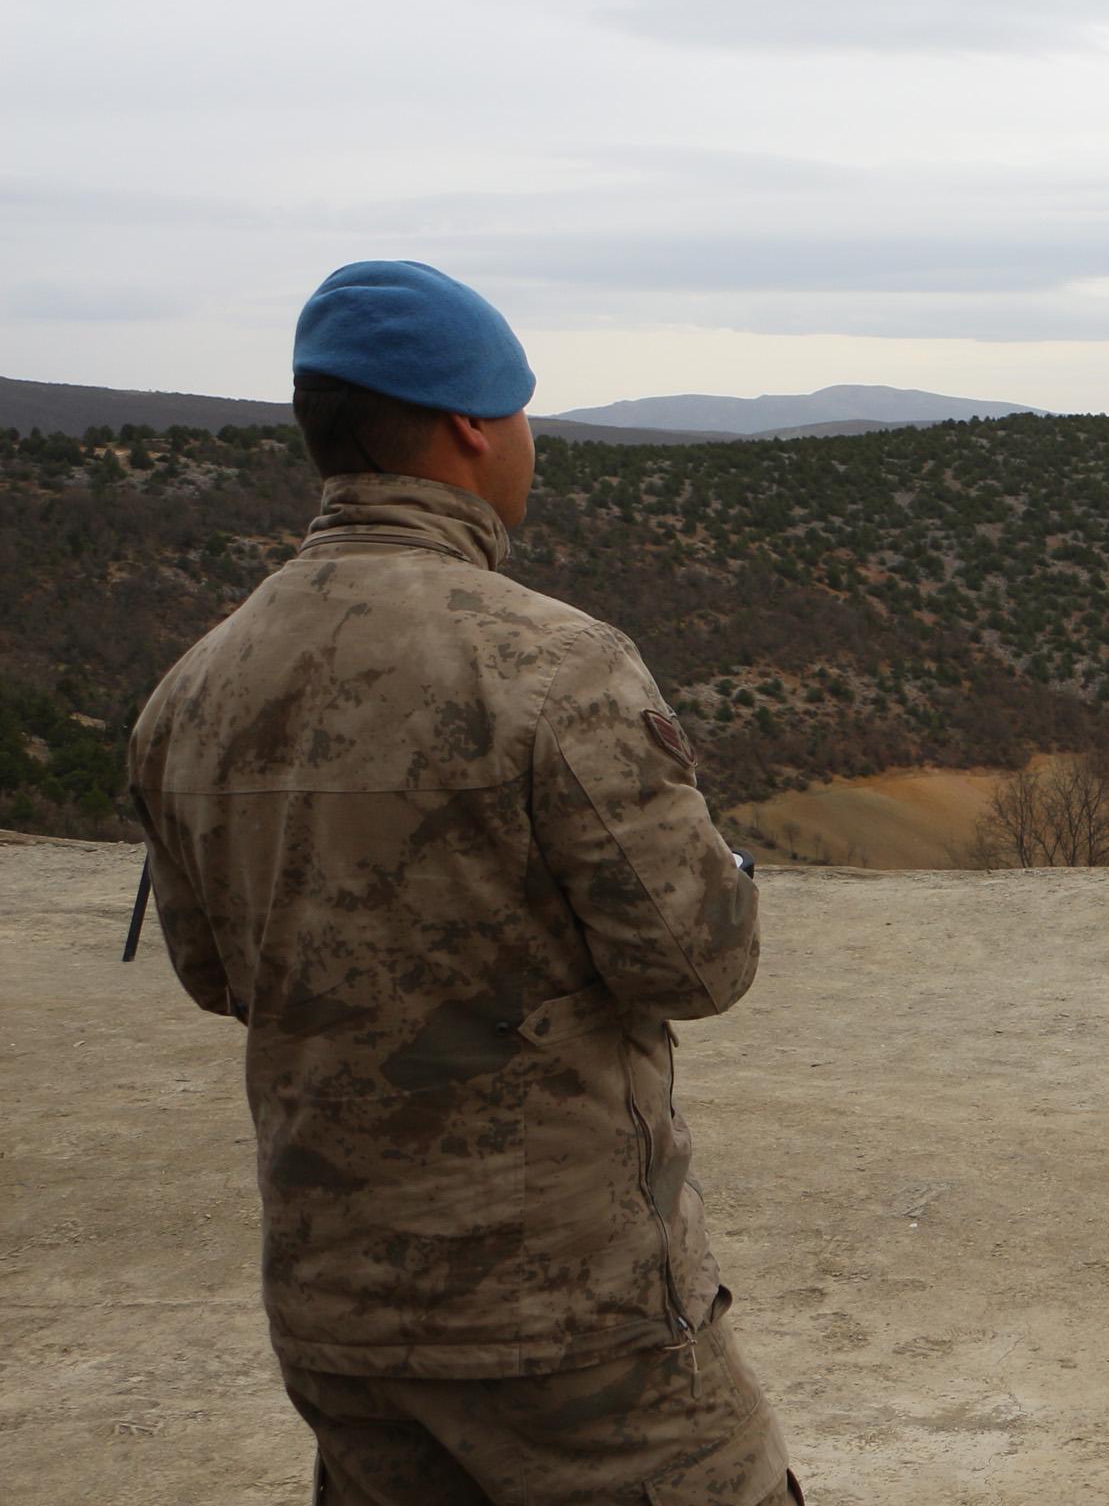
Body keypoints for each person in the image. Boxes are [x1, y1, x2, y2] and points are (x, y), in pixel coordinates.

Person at [126, 260, 799, 1506]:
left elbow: (216, 972)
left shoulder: (195, 687)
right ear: (472, 426)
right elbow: (698, 965)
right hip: (563, 1309)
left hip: (334, 1310)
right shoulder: (555, 666)